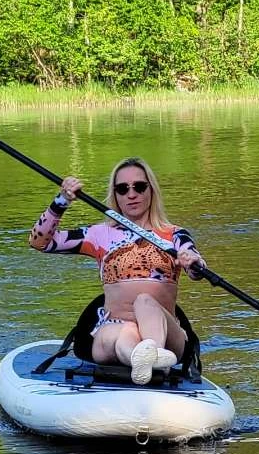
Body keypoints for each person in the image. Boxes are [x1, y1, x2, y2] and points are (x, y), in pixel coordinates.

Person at [29, 157, 205, 384]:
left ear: (151, 190)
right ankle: (146, 362)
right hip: (115, 329)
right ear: (116, 195)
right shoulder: (99, 235)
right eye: (123, 189)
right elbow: (40, 243)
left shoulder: (174, 235)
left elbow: (197, 270)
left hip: (167, 333)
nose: (131, 194)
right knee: (124, 334)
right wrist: (62, 201)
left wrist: (192, 262)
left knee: (144, 301)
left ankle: (150, 354)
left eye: (139, 187)